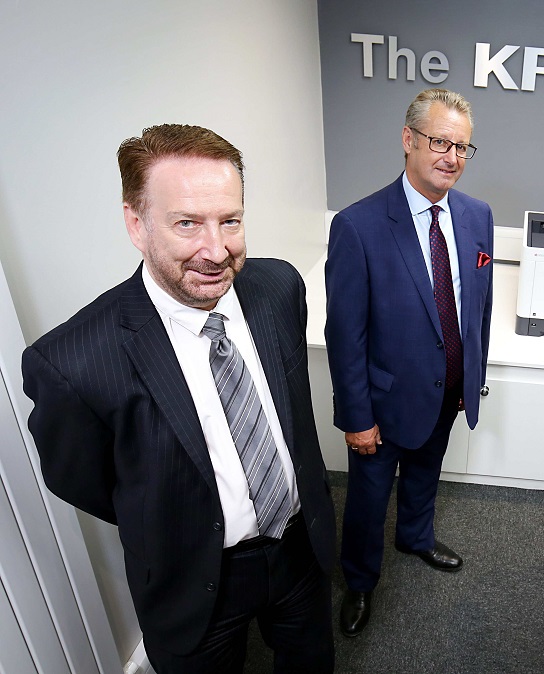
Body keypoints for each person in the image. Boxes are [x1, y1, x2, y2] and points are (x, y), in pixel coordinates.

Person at [21, 124, 336, 673]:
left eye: (230, 221)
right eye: (187, 223)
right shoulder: (72, 362)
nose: (216, 251)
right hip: (190, 577)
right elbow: (87, 483)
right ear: (136, 225)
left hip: (298, 546)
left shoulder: (280, 289)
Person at [325, 88, 494, 637]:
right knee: (368, 500)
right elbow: (344, 333)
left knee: (426, 473)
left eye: (463, 148)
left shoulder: (477, 217)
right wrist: (356, 416)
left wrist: (471, 378)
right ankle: (359, 580)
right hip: (383, 399)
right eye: (440, 142)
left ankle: (416, 537)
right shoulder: (359, 225)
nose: (451, 157)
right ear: (408, 140)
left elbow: (478, 307)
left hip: (446, 390)